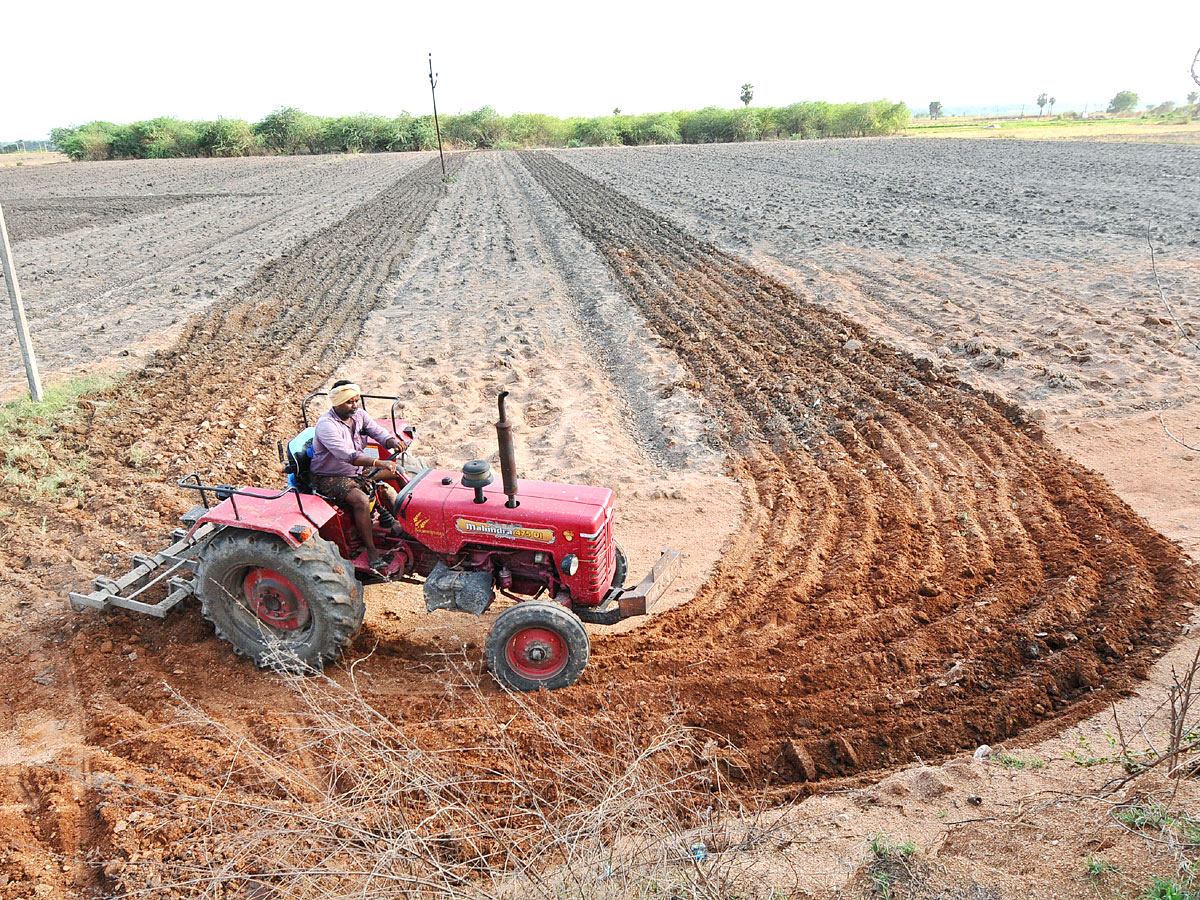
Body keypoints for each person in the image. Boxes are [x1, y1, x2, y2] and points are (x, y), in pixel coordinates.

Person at [310, 380, 405, 570]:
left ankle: (407, 522)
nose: (354, 406)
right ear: (336, 403)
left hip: (357, 470)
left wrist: (391, 441)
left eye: (356, 401)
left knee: (398, 472)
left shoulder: (359, 415)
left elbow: (377, 431)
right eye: (349, 402)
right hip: (330, 475)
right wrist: (378, 463)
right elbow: (348, 455)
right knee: (361, 500)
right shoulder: (326, 425)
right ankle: (371, 551)